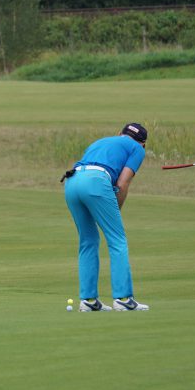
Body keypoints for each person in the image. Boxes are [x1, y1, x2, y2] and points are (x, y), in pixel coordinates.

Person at [62, 122, 151, 312]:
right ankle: (123, 298)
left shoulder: (100, 141)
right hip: (96, 182)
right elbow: (123, 182)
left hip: (71, 182)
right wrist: (115, 210)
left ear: (120, 133)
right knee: (117, 239)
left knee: (88, 240)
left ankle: (88, 300)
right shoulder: (137, 149)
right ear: (143, 144)